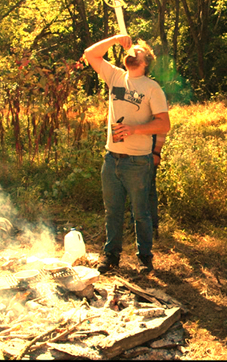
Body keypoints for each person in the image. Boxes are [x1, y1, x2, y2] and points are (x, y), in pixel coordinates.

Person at [83, 34, 170, 274]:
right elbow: (90, 53)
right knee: (112, 211)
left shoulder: (152, 88)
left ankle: (144, 258)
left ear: (146, 62)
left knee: (141, 214)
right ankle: (111, 256)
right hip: (112, 159)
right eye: (132, 50)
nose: (133, 52)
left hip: (138, 162)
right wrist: (116, 39)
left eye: (138, 51)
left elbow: (164, 124)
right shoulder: (115, 76)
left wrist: (135, 129)